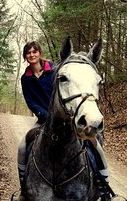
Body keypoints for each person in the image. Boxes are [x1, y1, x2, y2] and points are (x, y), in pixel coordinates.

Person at [17, 41, 111, 200]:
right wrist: (45, 115)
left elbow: (73, 85)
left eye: (35, 51)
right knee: (22, 145)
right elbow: (30, 101)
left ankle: (105, 190)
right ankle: (24, 190)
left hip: (69, 115)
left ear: (40, 53)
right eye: (28, 52)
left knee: (97, 147)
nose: (32, 55)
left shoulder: (56, 69)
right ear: (26, 56)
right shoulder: (25, 78)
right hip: (44, 118)